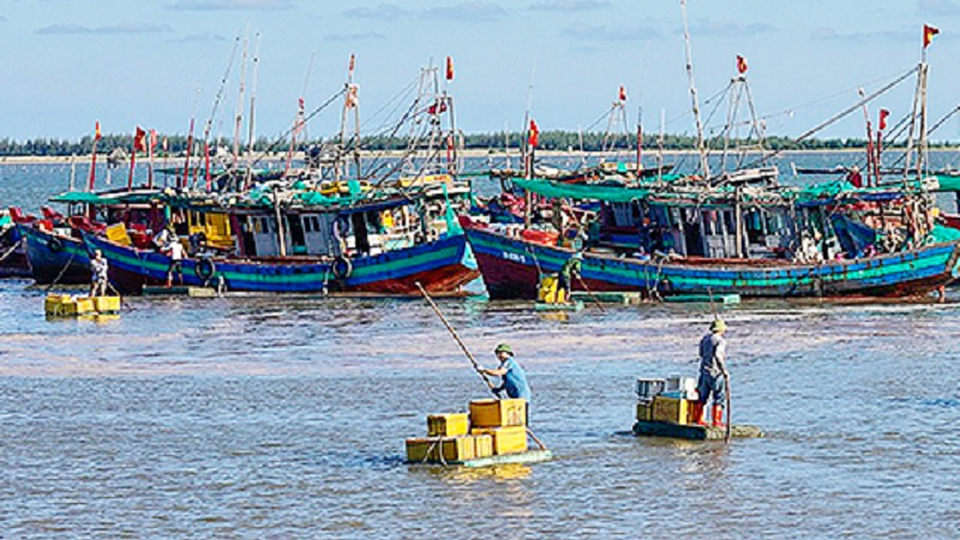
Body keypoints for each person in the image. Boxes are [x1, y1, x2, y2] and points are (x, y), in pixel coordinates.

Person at [694, 318, 729, 427]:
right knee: (719, 397)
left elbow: (700, 354)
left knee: (702, 397)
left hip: (704, 372)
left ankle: (698, 420)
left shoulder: (705, 339)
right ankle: (716, 422)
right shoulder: (720, 341)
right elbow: (718, 356)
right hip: (716, 373)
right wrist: (724, 371)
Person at [480, 343, 532, 415]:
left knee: (521, 420)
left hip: (521, 397)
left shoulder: (509, 362)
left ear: (508, 353)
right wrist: (498, 389)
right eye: (497, 353)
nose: (499, 355)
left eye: (501, 353)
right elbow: (507, 382)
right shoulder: (503, 364)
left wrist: (484, 370)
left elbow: (499, 373)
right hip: (514, 398)